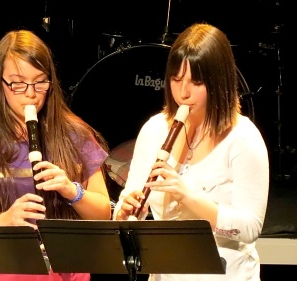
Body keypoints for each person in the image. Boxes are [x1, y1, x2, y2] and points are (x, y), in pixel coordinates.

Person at [0, 29, 112, 281]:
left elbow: (103, 214)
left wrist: (71, 190)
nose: (30, 93)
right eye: (18, 83)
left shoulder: (76, 135)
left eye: (40, 82)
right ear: (1, 84)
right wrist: (3, 219)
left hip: (61, 273)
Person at [112, 23, 270, 281]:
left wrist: (187, 195)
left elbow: (250, 228)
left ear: (219, 83)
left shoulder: (243, 138)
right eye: (176, 79)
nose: (183, 93)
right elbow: (129, 206)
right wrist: (127, 212)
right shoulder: (154, 131)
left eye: (196, 82)